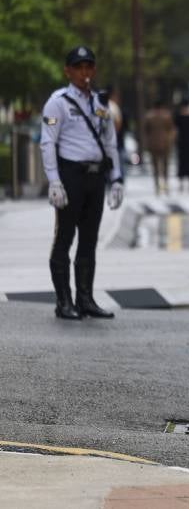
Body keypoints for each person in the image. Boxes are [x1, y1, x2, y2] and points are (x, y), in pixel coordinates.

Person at [39, 46, 123, 320]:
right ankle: (64, 301)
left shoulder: (101, 104)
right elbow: (47, 142)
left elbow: (110, 143)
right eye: (79, 67)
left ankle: (85, 298)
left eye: (89, 67)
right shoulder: (58, 102)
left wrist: (117, 179)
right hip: (70, 175)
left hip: (95, 177)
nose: (84, 73)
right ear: (68, 71)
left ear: (94, 70)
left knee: (89, 239)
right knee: (64, 237)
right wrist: (54, 181)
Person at [143, 98, 176, 195]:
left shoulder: (149, 116)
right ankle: (165, 184)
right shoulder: (167, 115)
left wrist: (147, 142)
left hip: (153, 143)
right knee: (165, 165)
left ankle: (157, 185)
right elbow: (171, 129)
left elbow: (146, 130)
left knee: (155, 166)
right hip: (165, 143)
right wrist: (170, 140)